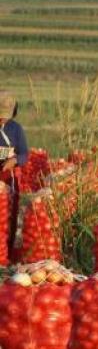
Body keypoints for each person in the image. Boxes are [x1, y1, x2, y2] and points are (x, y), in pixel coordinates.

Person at [0, 92, 29, 253]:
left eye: (4, 116)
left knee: (8, 215)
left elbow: (24, 154)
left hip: (8, 178)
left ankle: (6, 251)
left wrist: (15, 160)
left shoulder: (16, 129)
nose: (1, 119)